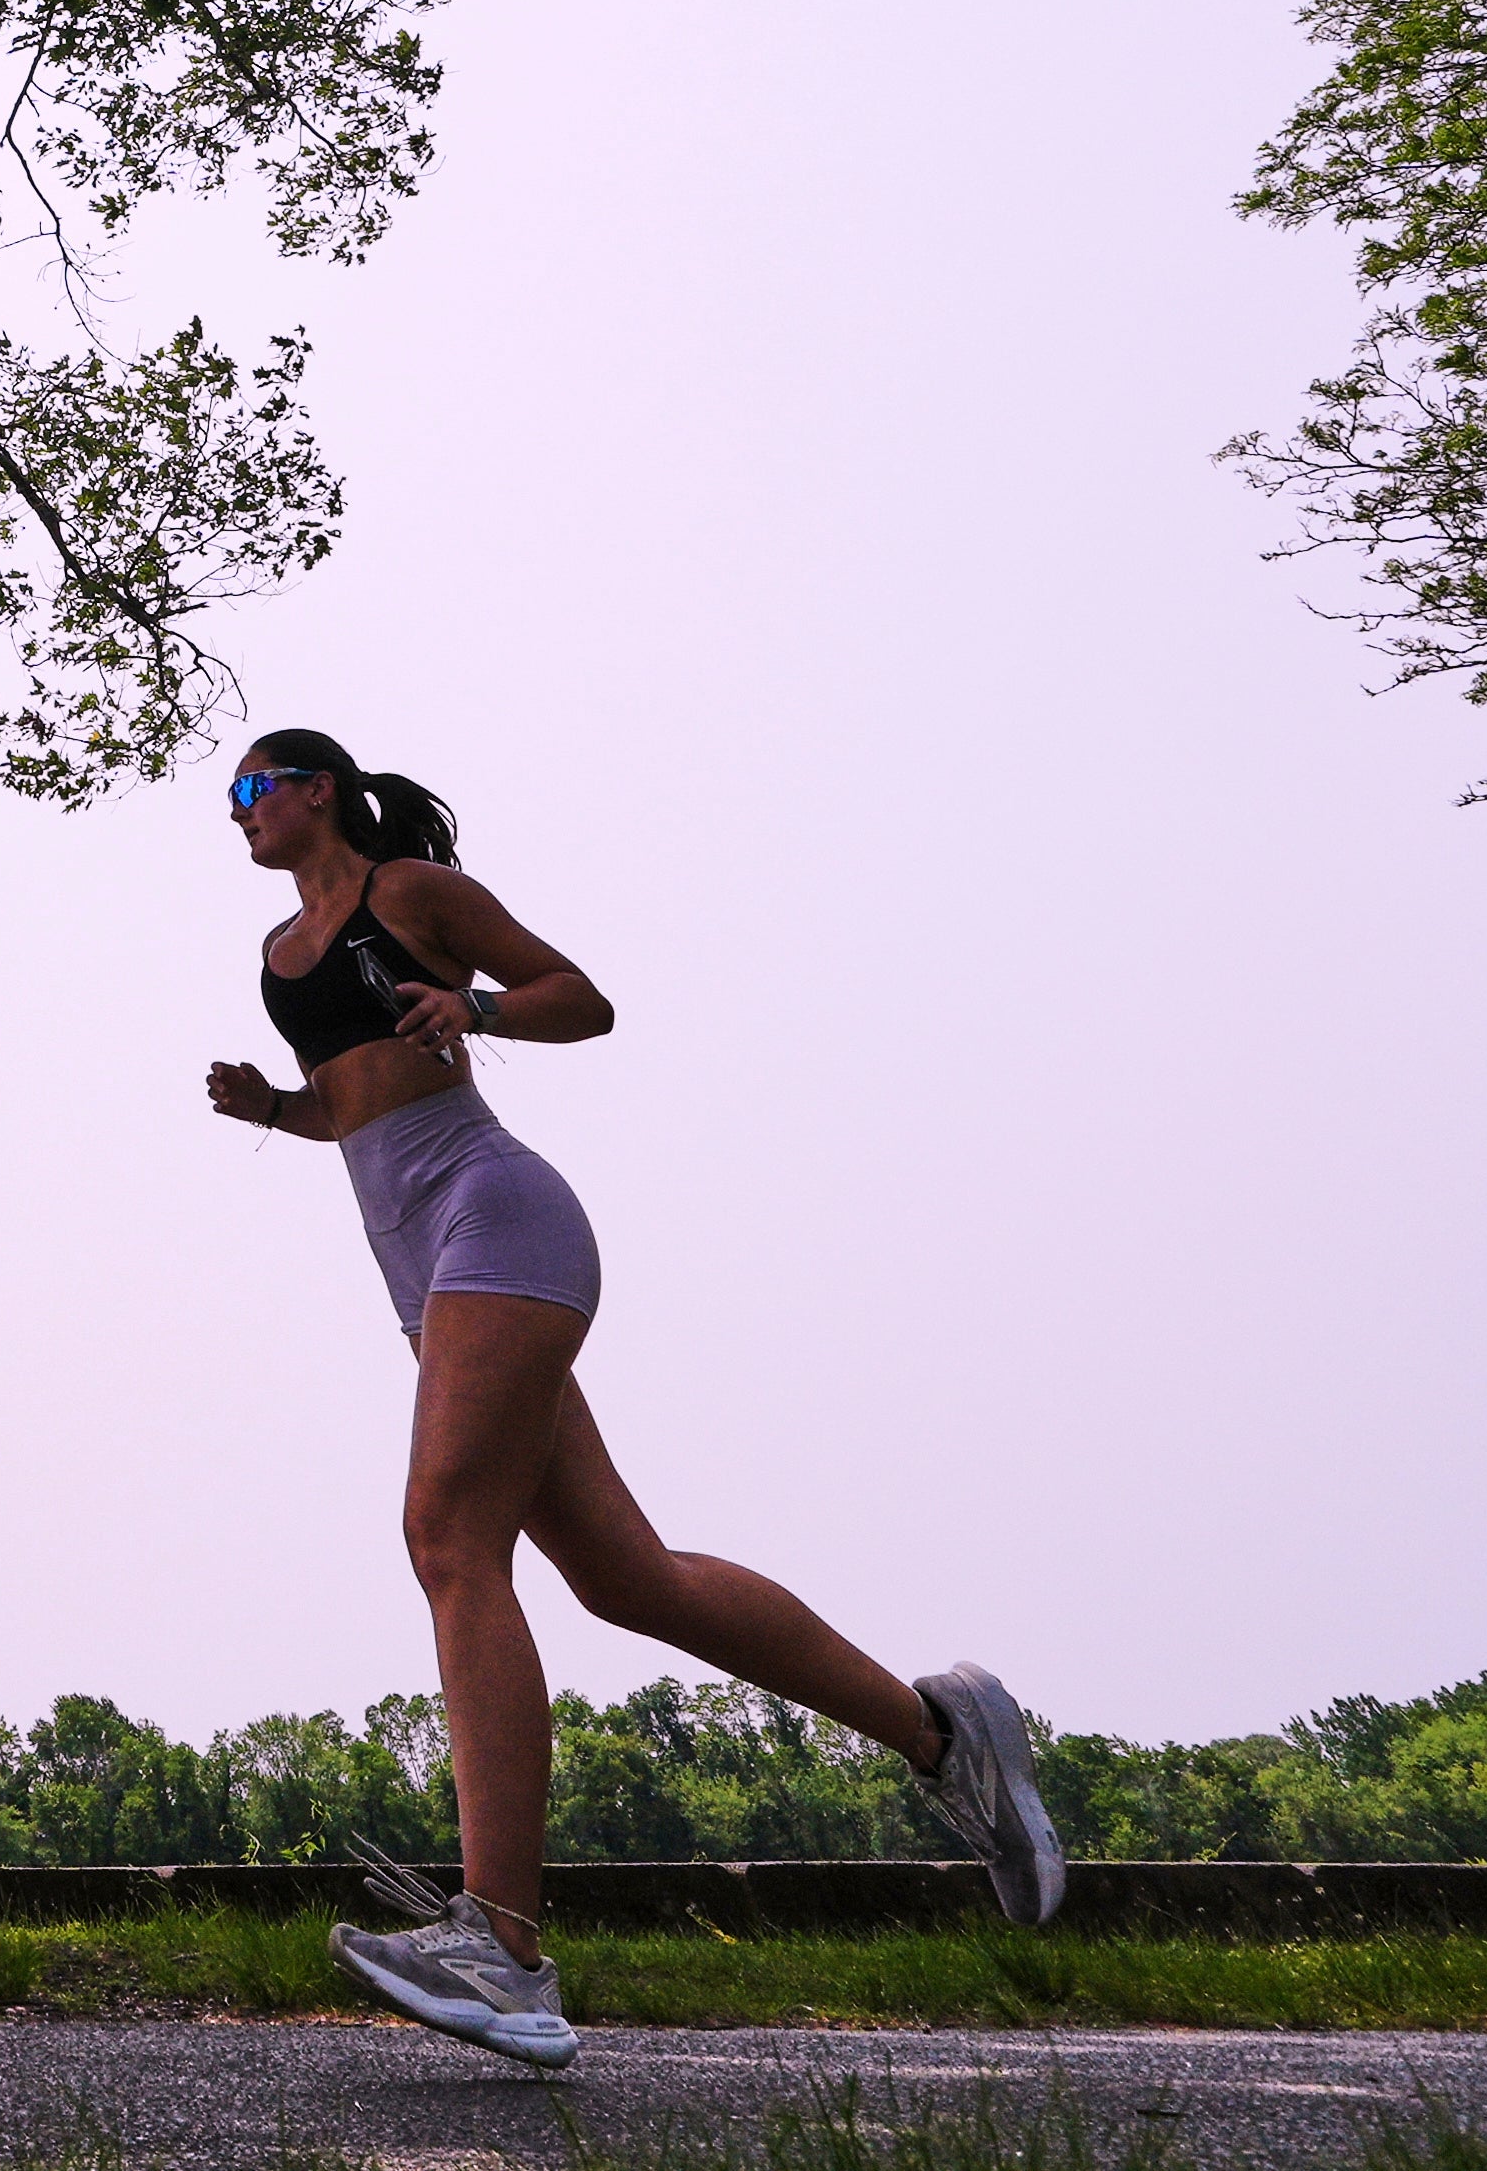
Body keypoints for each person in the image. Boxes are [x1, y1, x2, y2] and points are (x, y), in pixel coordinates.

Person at [203, 727, 1065, 2072]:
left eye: (253, 789)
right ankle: (940, 1734)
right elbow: (347, 1103)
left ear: (316, 789)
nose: (237, 814)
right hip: (416, 1259)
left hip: (496, 1213)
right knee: (625, 1576)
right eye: (229, 801)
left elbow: (577, 997)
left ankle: (502, 1942)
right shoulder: (278, 955)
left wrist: (477, 1008)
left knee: (446, 1539)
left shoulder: (411, 893)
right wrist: (274, 1113)